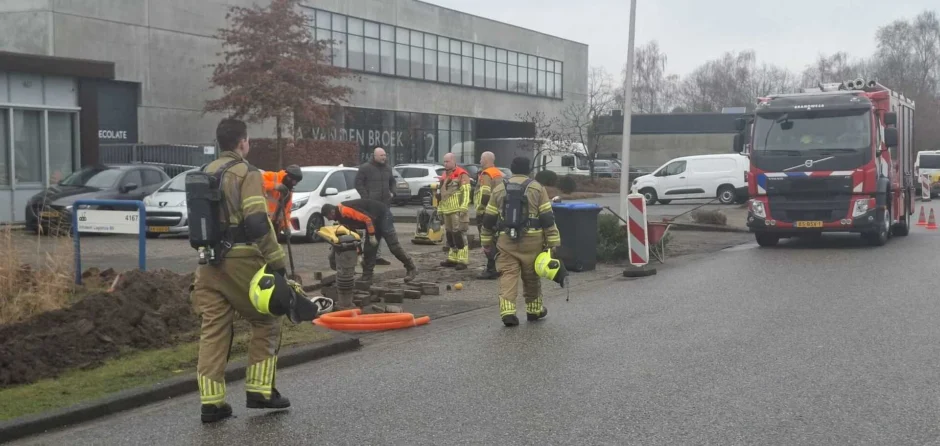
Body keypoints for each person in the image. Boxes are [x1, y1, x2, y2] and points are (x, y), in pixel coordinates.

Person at [190, 118, 291, 423]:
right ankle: (260, 391)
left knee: (214, 330)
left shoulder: (203, 173)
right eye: (247, 141)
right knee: (267, 319)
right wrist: (277, 262)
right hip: (241, 260)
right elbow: (257, 222)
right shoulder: (247, 173)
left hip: (207, 264)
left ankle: (212, 403)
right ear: (243, 142)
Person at [480, 156, 561, 327]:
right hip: (533, 240)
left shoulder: (500, 188)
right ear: (529, 169)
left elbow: (488, 218)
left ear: (511, 168)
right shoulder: (538, 188)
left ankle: (508, 312)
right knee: (532, 275)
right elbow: (547, 217)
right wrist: (553, 242)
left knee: (507, 275)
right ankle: (534, 310)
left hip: (506, 240)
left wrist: (486, 242)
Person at [321, 199, 418, 290]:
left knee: (394, 246)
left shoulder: (345, 210)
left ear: (331, 212)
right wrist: (359, 254)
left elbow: (367, 218)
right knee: (369, 250)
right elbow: (354, 236)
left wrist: (371, 235)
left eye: (327, 217)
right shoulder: (342, 219)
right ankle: (367, 276)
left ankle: (411, 268)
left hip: (383, 215)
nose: (329, 220)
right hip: (373, 222)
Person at [354, 147, 396, 266]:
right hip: (371, 205)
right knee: (371, 230)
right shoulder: (365, 168)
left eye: (385, 155)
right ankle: (368, 256)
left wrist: (392, 192)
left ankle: (377, 256)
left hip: (385, 205)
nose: (384, 157)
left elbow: (392, 182)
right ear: (375, 156)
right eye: (381, 155)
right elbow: (358, 183)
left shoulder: (388, 168)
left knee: (382, 230)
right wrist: (366, 197)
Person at [438, 152, 472, 270]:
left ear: (453, 161)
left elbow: (466, 191)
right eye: (444, 161)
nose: (445, 164)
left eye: (447, 161)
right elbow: (442, 194)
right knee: (450, 234)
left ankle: (463, 260)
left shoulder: (462, 174)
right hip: (447, 210)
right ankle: (453, 258)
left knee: (459, 234)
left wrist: (464, 206)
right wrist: (440, 208)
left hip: (457, 210)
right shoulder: (444, 175)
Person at [474, 151, 503, 280]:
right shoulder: (498, 173)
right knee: (495, 240)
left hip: (486, 212)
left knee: (486, 240)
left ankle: (491, 269)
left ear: (485, 160)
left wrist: (480, 208)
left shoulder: (486, 174)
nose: (480, 161)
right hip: (497, 212)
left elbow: (485, 194)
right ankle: (497, 266)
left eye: (481, 159)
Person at [261, 165, 302, 232]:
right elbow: (257, 183)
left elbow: (287, 211)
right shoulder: (272, 176)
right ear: (289, 177)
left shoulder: (288, 192)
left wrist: (286, 227)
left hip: (275, 224)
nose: (294, 184)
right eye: (294, 182)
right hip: (262, 221)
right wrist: (275, 185)